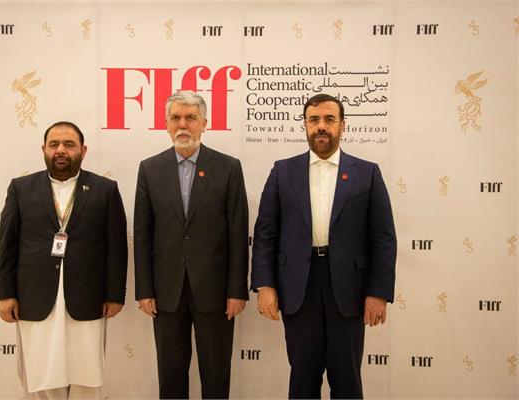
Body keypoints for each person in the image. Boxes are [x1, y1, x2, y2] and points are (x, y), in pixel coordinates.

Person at [251, 94, 396, 399]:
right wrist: (265, 285)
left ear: (342, 125)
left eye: (329, 119)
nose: (321, 126)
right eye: (314, 120)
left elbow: (383, 238)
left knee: (347, 382)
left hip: (349, 289)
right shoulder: (282, 171)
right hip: (298, 287)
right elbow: (265, 233)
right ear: (305, 125)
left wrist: (378, 292)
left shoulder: (367, 172)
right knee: (303, 380)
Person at [0, 121, 128, 399]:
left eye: (69, 145)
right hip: (35, 296)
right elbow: (7, 244)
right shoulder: (21, 188)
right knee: (41, 375)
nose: (60, 150)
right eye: (54, 144)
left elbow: (116, 247)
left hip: (87, 297)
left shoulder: (105, 189)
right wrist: (6, 294)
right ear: (43, 149)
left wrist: (115, 294)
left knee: (86, 375)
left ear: (83, 150)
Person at [134, 90, 249, 399]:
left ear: (204, 123)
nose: (182, 124)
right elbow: (143, 235)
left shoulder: (228, 167)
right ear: (166, 124)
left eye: (190, 118)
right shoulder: (150, 169)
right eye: (176, 118)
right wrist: (144, 290)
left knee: (216, 375)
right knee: (170, 376)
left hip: (215, 291)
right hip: (166, 292)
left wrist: (236, 290)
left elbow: (238, 233)